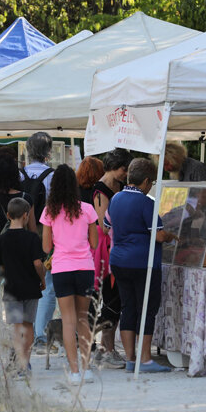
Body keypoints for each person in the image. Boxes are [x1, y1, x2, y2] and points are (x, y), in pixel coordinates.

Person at [108, 158, 177, 373]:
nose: (151, 186)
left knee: (128, 307)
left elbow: (106, 225)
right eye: (152, 182)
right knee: (147, 309)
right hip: (143, 263)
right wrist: (171, 236)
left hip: (118, 261)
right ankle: (145, 359)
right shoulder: (146, 202)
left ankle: (130, 359)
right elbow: (158, 235)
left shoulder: (116, 198)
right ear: (146, 180)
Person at [40, 164, 98, 385]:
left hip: (62, 269)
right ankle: (87, 368)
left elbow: (46, 248)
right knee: (84, 319)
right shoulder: (87, 209)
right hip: (85, 268)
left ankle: (74, 372)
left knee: (68, 321)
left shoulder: (49, 212)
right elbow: (94, 243)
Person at [89, 149, 130, 369]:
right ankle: (106, 349)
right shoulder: (100, 190)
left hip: (117, 245)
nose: (126, 173)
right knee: (112, 299)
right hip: (107, 249)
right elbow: (103, 226)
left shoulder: (120, 187)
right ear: (115, 166)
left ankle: (106, 348)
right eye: (124, 169)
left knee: (116, 299)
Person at [0, 197, 46, 378]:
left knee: (16, 327)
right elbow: (38, 263)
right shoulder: (32, 238)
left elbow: (0, 266)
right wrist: (42, 279)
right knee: (29, 325)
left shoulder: (2, 239)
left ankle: (17, 363)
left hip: (11, 289)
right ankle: (25, 363)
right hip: (31, 287)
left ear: (8, 215)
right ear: (26, 215)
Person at [23, 132, 58, 355]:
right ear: (48, 152)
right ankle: (40, 334)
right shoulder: (52, 176)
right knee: (48, 284)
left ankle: (24, 330)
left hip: (23, 230)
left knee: (24, 282)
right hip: (45, 231)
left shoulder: (20, 174)